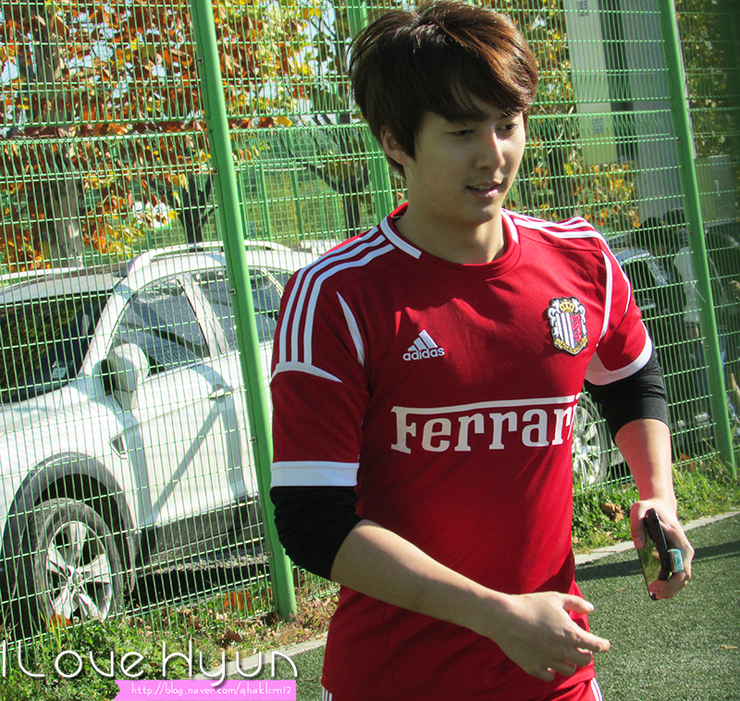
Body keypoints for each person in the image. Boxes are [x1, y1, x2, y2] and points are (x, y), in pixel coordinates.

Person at [269, 3, 694, 700]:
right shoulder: (335, 296)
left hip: (555, 674)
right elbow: (312, 521)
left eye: (507, 123)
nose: (492, 153)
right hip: (394, 683)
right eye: (462, 131)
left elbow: (629, 376)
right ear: (396, 142)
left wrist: (657, 495)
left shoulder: (581, 259)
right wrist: (496, 614)